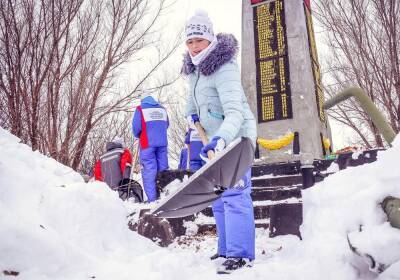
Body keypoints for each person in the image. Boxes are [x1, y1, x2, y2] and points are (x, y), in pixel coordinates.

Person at [182, 10, 257, 274]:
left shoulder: (223, 68)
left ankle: (241, 254)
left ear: (211, 39)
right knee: (218, 197)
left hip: (236, 139)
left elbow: (235, 112)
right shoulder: (195, 70)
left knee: (235, 194)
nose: (194, 46)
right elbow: (193, 99)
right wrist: (191, 113)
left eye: (199, 40)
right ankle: (226, 249)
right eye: (190, 41)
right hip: (212, 142)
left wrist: (221, 139)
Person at [132, 90, 169, 202]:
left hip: (147, 144)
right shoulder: (162, 109)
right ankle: (165, 196)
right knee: (163, 170)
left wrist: (139, 134)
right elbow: (167, 124)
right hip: (162, 143)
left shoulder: (140, 109)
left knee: (149, 171)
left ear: (143, 99)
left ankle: (153, 200)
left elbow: (136, 128)